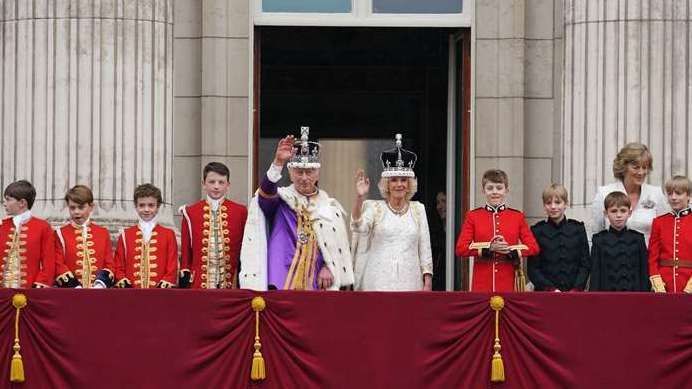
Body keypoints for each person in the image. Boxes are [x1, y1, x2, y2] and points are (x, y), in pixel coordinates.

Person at [239, 126, 354, 290]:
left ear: (318, 173)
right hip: (281, 280)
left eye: (309, 172)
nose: (304, 178)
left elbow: (334, 246)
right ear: (291, 173)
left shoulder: (330, 208)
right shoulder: (281, 200)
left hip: (316, 283)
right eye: (299, 172)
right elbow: (265, 194)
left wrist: (329, 266)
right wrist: (278, 162)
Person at [350, 134, 433, 291]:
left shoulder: (418, 209)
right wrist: (360, 197)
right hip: (377, 281)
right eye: (394, 180)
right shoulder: (375, 208)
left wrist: (427, 281)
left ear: (409, 185)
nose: (399, 185)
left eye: (403, 180)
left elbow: (425, 248)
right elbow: (358, 226)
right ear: (387, 185)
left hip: (411, 282)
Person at [455, 169, 539, 292]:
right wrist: (488, 248)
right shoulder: (473, 216)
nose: (495, 192)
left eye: (499, 188)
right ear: (483, 190)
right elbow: (461, 248)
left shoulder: (517, 216)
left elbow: (533, 247)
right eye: (490, 188)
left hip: (508, 283)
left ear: (506, 190)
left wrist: (510, 250)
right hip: (482, 284)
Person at [178, 162, 248, 289]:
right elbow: (186, 251)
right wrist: (185, 276)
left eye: (221, 182)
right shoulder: (190, 212)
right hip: (199, 283)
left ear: (228, 185)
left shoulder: (241, 211)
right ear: (204, 184)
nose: (216, 186)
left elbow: (245, 249)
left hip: (230, 282)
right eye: (212, 182)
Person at [591, 143, 669, 244]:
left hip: (648, 257)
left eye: (644, 167)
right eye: (636, 167)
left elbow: (665, 232)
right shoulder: (604, 193)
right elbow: (595, 233)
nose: (641, 172)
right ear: (623, 167)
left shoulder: (656, 193)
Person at [114, 184, 178, 288]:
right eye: (142, 205)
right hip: (132, 294)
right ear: (136, 206)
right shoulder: (126, 235)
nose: (146, 209)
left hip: (159, 295)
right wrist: (122, 280)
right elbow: (118, 265)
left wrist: (166, 282)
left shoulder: (168, 234)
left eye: (151, 205)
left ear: (158, 207)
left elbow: (172, 266)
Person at [528, 184, 590, 292]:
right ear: (544, 206)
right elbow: (533, 269)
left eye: (558, 202)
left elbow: (584, 264)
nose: (553, 207)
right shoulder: (537, 231)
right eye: (548, 203)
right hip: (545, 294)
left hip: (574, 294)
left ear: (566, 204)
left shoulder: (578, 229)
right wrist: (550, 289)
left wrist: (576, 289)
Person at [54, 185, 115, 288]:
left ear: (91, 207)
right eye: (72, 208)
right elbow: (58, 264)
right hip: (70, 293)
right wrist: (75, 287)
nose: (76, 212)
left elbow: (109, 264)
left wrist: (100, 285)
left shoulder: (103, 233)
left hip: (98, 293)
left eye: (81, 207)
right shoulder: (60, 234)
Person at [0, 180, 55, 288]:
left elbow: (48, 262)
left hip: (30, 291)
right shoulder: (2, 226)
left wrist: (40, 285)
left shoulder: (43, 227)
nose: (4, 203)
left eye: (8, 199)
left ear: (22, 203)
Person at [590, 192, 649, 291]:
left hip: (634, 297)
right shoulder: (599, 240)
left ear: (629, 213)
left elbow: (644, 273)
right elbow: (595, 275)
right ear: (606, 213)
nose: (618, 215)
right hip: (607, 298)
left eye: (623, 211)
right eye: (613, 211)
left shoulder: (638, 239)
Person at [648, 176, 692, 293]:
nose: (673, 197)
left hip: (688, 282)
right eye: (670, 193)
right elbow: (653, 258)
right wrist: (658, 284)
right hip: (664, 284)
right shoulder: (659, 222)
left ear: (688, 196)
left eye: (678, 193)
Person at [428, 191, 447, 291]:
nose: (439, 206)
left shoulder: (457, 232)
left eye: (444, 201)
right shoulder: (435, 233)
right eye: (438, 202)